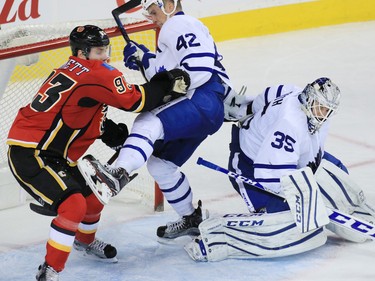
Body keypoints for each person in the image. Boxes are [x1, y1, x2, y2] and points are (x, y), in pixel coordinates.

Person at [6, 24, 190, 280]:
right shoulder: (96, 73)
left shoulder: (70, 69)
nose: (105, 56)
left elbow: (79, 111)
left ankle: (84, 240)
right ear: (82, 53)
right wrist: (166, 83)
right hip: (32, 154)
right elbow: (135, 101)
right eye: (98, 51)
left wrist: (110, 133)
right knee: (74, 205)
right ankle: (50, 271)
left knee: (94, 198)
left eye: (106, 49)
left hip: (52, 153)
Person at [79, 0, 234, 240]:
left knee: (148, 121)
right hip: (207, 105)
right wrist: (145, 60)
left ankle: (117, 173)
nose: (152, 18)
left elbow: (198, 70)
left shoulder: (179, 23)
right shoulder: (170, 36)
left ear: (170, 3)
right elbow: (168, 74)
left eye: (154, 11)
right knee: (160, 165)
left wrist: (164, 85)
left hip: (203, 98)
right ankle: (190, 217)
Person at [184, 77, 375, 261]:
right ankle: (217, 236)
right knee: (297, 228)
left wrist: (247, 109)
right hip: (250, 166)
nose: (323, 114)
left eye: (328, 110)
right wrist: (304, 200)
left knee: (335, 170)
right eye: (321, 108)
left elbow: (266, 96)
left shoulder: (294, 92)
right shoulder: (290, 124)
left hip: (286, 158)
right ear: (309, 99)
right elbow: (268, 176)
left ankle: (356, 211)